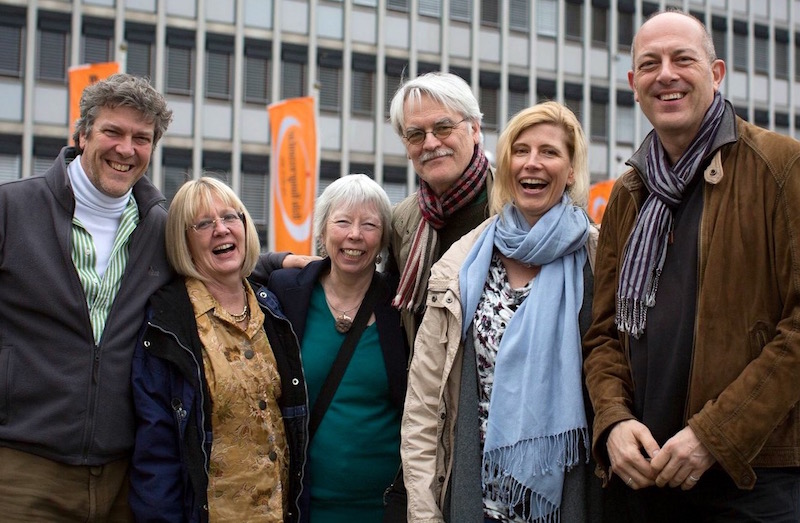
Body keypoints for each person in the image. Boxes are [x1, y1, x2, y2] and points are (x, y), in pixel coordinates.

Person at [583, 9, 800, 522]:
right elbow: (603, 335)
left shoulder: (781, 167)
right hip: (640, 477)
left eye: (683, 59)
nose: (667, 74)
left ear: (717, 72)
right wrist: (613, 421)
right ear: (634, 84)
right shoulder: (628, 194)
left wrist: (715, 436)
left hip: (750, 481)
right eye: (650, 64)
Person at [402, 101, 600, 523]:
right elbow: (423, 405)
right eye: (521, 150)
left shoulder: (598, 259)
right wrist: (423, 512)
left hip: (569, 501)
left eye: (549, 152)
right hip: (475, 500)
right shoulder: (461, 263)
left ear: (570, 170)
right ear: (506, 164)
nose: (533, 163)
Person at [0, 73, 173, 521]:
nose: (126, 148)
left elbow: (228, 260)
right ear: (80, 135)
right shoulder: (11, 210)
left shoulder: (163, 229)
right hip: (19, 469)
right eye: (112, 131)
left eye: (142, 138)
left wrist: (287, 263)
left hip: (123, 478)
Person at [130, 177, 307, 522]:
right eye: (204, 223)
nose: (222, 230)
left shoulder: (274, 309)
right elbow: (156, 454)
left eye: (230, 218)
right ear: (184, 242)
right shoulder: (167, 323)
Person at [267, 174, 408, 522]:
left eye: (369, 224)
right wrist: (280, 259)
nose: (354, 235)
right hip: (303, 503)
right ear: (323, 230)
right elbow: (231, 265)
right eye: (342, 221)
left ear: (384, 238)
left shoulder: (402, 305)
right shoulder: (288, 291)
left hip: (384, 506)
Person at [387, 71, 493, 348]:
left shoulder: (516, 205)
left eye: (444, 128)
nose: (431, 143)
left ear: (475, 129)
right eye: (416, 134)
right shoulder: (401, 220)